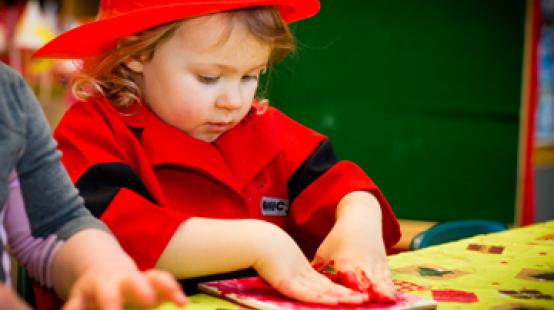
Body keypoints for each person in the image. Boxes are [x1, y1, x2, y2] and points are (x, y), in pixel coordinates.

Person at [35, 0, 402, 305]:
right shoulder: (94, 130)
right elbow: (105, 238)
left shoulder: (262, 126)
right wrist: (259, 242)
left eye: (250, 76)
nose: (233, 101)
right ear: (138, 53)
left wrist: (360, 222)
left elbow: (338, 184)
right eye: (209, 78)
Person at [0, 62, 187, 309]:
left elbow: (55, 224)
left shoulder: (9, 94)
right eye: (208, 77)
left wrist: (106, 270)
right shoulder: (94, 126)